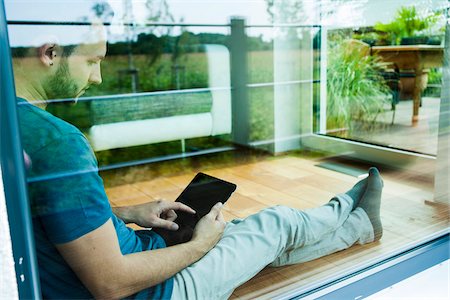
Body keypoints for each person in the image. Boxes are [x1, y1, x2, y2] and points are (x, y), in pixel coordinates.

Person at [13, 21, 383, 300]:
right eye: (93, 61)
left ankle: (361, 226)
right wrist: (198, 246)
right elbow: (110, 283)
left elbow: (47, 213)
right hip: (157, 290)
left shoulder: (12, 127)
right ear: (51, 53)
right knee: (277, 223)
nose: (96, 78)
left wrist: (125, 213)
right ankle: (348, 210)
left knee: (243, 237)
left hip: (107, 263)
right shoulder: (58, 142)